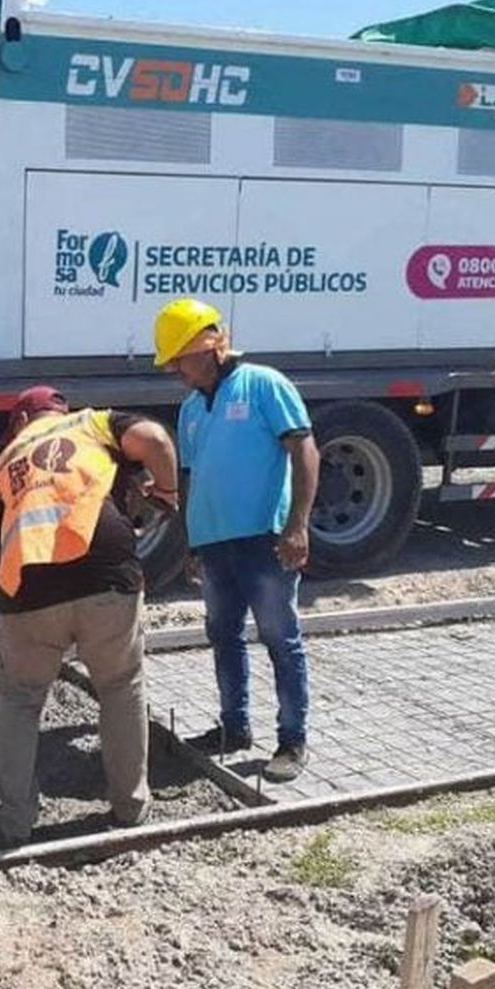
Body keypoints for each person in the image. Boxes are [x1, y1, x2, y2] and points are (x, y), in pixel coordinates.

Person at [0, 385, 179, 843]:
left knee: (18, 701)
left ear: (19, 424)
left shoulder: (8, 457)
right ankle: (130, 808)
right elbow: (155, 440)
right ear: (60, 412)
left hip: (28, 585)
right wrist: (166, 493)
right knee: (120, 687)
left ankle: (12, 823)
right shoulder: (92, 423)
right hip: (105, 574)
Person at [154, 298, 319, 782]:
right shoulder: (189, 408)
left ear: (208, 346)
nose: (174, 371)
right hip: (215, 545)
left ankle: (292, 739)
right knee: (223, 636)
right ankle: (233, 728)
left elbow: (304, 450)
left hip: (264, 541)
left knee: (280, 640)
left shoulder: (263, 384)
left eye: (178, 360)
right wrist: (191, 541)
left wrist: (297, 525)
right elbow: (189, 476)